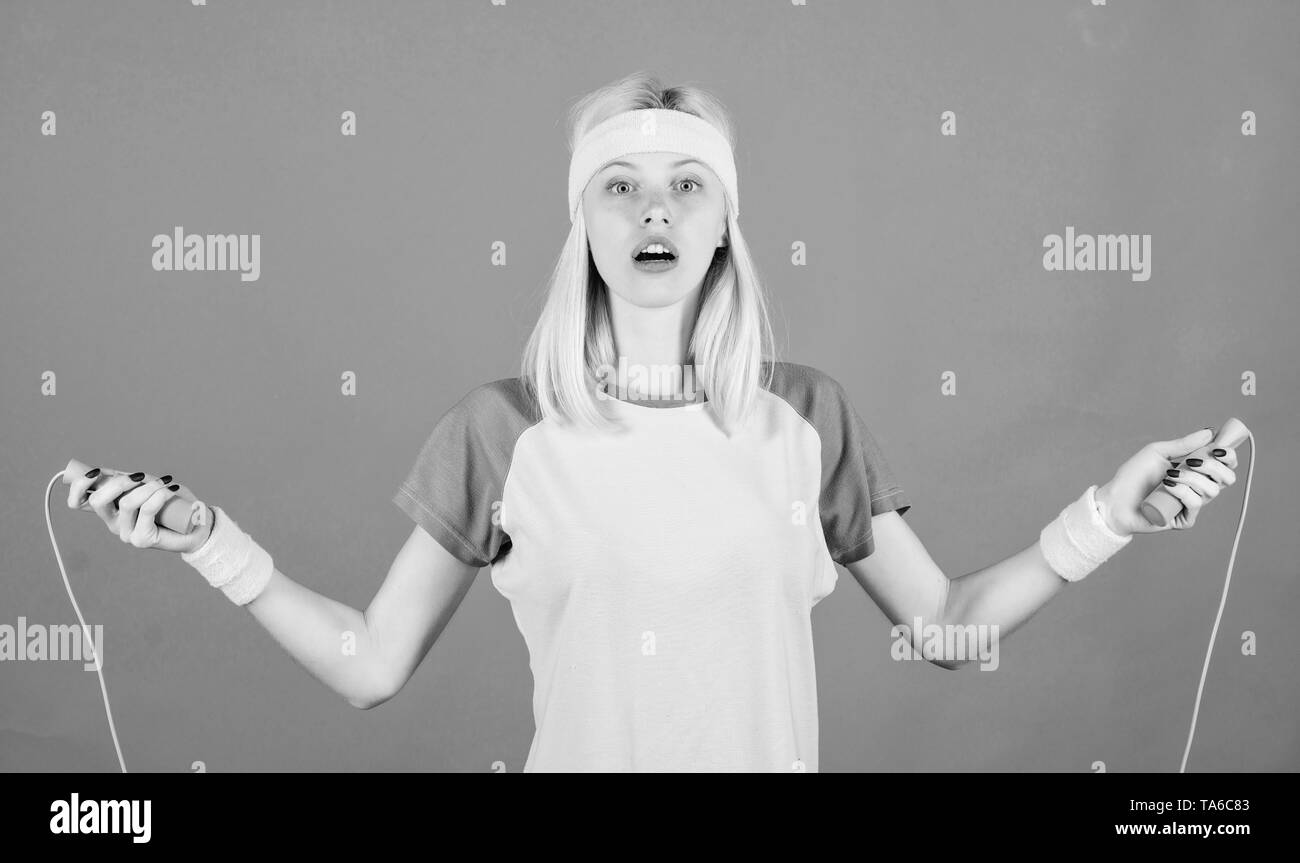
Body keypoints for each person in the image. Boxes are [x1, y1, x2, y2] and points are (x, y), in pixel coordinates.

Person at [68, 71, 1239, 773]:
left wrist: (1108, 515)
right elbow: (371, 667)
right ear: (581, 223)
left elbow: (942, 627)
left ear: (725, 222)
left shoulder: (806, 415)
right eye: (619, 187)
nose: (654, 210)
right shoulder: (499, 430)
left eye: (687, 184)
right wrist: (211, 541)